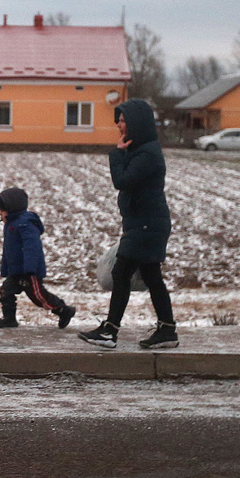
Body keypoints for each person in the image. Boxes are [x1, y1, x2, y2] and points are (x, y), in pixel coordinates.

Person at [79, 99, 178, 349]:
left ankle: (110, 331)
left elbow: (122, 180)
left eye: (123, 121)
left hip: (146, 225)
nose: (119, 125)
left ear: (136, 123)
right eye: (119, 121)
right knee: (151, 276)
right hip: (144, 223)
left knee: (122, 272)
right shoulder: (143, 150)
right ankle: (167, 330)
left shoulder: (147, 154)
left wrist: (117, 153)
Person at [0, 187, 76, 329]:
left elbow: (32, 247)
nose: (0, 214)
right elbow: (8, 250)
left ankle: (63, 310)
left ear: (12, 209)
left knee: (38, 297)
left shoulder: (25, 224)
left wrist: (30, 268)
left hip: (28, 270)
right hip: (16, 271)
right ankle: (9, 318)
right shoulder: (10, 225)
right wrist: (6, 268)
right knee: (6, 291)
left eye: (2, 211)